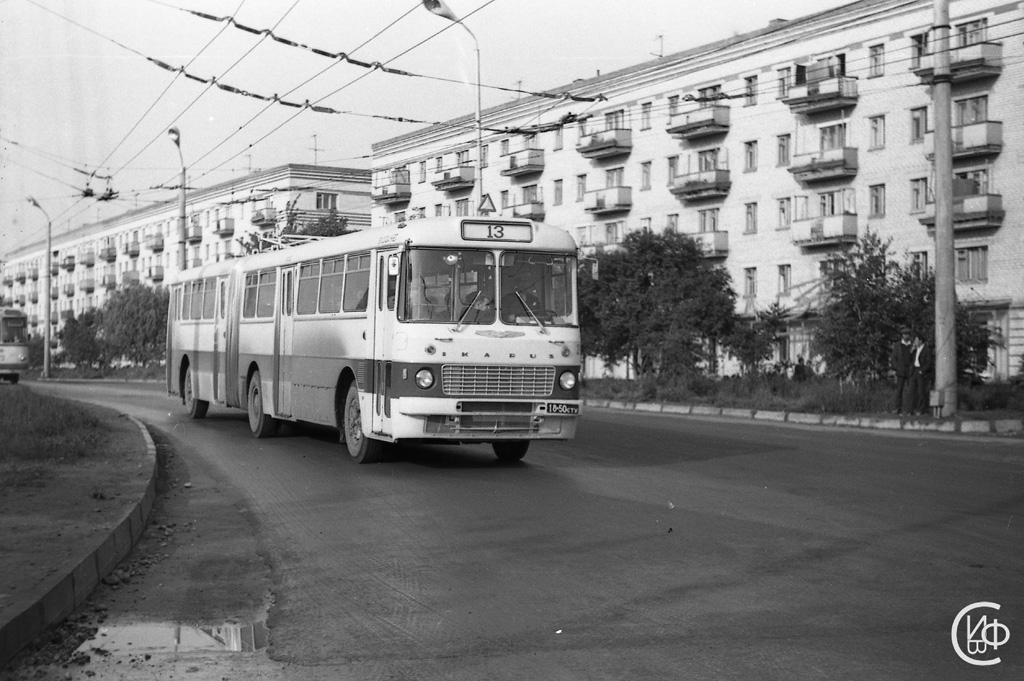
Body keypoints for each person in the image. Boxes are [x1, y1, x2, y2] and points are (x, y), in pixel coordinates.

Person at [889, 327, 914, 414]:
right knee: (899, 390)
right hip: (901, 371)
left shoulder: (912, 345)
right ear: (902, 335)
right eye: (904, 334)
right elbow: (893, 358)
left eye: (907, 334)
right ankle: (897, 408)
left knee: (911, 390)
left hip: (910, 370)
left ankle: (910, 409)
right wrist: (897, 367)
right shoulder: (898, 346)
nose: (906, 336)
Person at [909, 332, 934, 415]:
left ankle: (921, 409)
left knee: (921, 392)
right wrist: (912, 351)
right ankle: (912, 409)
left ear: (921, 341)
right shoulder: (915, 350)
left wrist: (922, 370)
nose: (915, 342)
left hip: (921, 371)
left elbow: (929, 363)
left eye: (916, 340)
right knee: (912, 391)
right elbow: (910, 360)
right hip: (914, 371)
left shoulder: (927, 350)